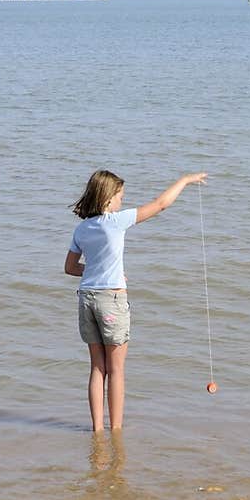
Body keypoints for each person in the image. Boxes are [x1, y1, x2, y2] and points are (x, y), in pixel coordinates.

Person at [65, 167, 207, 432]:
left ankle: (97, 430)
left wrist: (97, 270)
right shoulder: (116, 221)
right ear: (108, 198)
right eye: (120, 196)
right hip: (112, 301)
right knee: (116, 369)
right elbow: (161, 204)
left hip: (86, 299)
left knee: (97, 367)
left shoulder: (82, 229)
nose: (122, 201)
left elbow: (71, 268)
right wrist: (186, 180)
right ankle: (115, 431)